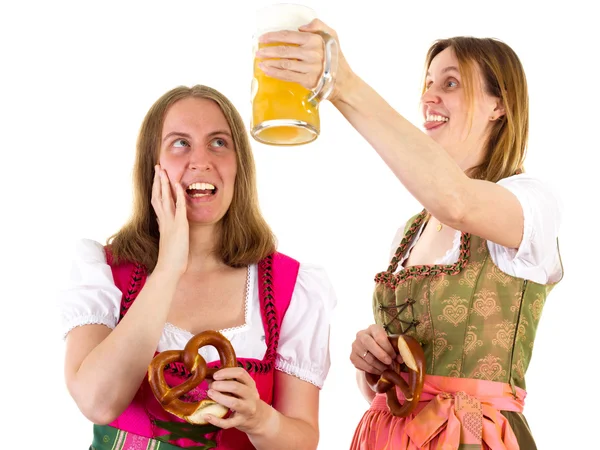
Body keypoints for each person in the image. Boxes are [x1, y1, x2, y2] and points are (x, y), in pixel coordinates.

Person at [256, 20, 562, 449]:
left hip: (472, 437)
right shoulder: (411, 230)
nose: (429, 96)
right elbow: (403, 379)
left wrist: (341, 84)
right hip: (391, 434)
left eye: (451, 82)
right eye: (428, 82)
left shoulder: (530, 202)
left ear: (500, 106)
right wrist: (374, 365)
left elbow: (457, 201)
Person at [57, 85, 336, 450]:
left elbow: (303, 440)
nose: (201, 161)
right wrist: (170, 266)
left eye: (219, 143)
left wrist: (260, 418)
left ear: (239, 166)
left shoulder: (291, 288)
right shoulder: (106, 272)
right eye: (180, 143)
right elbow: (98, 402)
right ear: (151, 166)